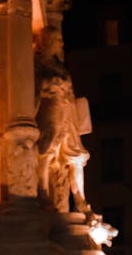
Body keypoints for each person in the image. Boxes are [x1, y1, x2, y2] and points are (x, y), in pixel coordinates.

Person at [34, 25, 91, 215]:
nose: (60, 44)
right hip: (51, 110)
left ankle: (80, 200)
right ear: (47, 42)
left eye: (60, 41)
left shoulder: (58, 66)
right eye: (56, 41)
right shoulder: (38, 64)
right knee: (47, 150)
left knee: (76, 157)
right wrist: (52, 85)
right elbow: (34, 90)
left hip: (68, 114)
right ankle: (42, 191)